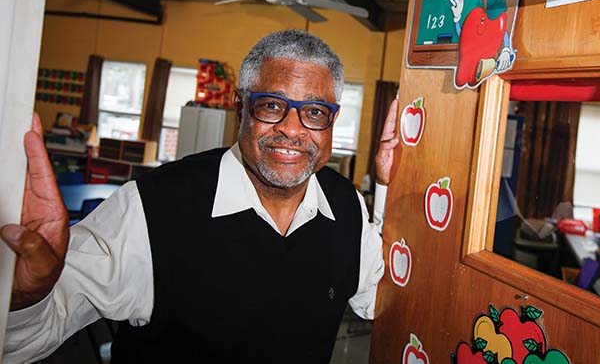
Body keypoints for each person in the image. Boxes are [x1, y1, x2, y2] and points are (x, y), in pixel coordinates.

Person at [1, 30, 400, 363]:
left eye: (314, 112)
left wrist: (391, 186)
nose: (292, 130)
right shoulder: (152, 208)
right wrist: (22, 296)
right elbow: (25, 342)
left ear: (331, 120)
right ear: (241, 108)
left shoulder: (345, 204)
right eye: (272, 106)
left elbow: (379, 299)